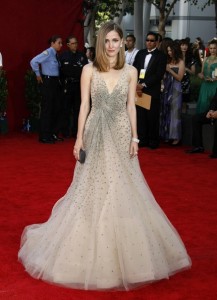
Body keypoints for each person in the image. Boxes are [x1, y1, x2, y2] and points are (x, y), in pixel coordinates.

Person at [18, 21, 191, 291]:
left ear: (122, 42)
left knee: (123, 185)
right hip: (95, 130)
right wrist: (78, 138)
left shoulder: (132, 72)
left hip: (122, 131)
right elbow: (84, 105)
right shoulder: (89, 70)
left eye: (115, 40)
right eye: (106, 41)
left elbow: (132, 108)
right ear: (101, 43)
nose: (111, 45)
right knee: (92, 184)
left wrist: (135, 137)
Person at [133, 31, 167, 149]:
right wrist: (136, 83)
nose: (149, 42)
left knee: (152, 116)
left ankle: (153, 141)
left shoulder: (161, 56)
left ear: (157, 42)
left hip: (152, 90)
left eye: (152, 40)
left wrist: (144, 84)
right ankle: (142, 139)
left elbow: (159, 74)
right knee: (140, 116)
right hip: (138, 89)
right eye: (147, 40)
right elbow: (135, 68)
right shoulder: (141, 53)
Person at [30, 35, 63, 144]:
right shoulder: (48, 52)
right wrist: (37, 74)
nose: (61, 45)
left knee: (55, 108)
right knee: (47, 109)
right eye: (59, 43)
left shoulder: (55, 55)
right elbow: (33, 61)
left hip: (54, 82)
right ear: (52, 43)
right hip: (48, 82)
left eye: (61, 43)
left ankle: (52, 134)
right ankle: (44, 136)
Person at [59, 35, 88, 138]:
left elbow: (86, 71)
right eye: (72, 43)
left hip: (79, 86)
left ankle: (77, 132)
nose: (75, 45)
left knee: (78, 109)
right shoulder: (63, 56)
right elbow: (60, 72)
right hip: (67, 85)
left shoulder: (82, 55)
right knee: (65, 109)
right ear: (68, 45)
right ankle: (65, 131)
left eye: (76, 43)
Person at [160, 41, 185, 145]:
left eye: (171, 50)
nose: (169, 52)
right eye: (168, 50)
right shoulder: (167, 60)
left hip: (175, 89)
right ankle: (166, 135)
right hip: (166, 87)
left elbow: (180, 78)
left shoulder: (181, 62)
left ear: (176, 51)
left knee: (175, 112)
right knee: (166, 110)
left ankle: (176, 136)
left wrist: (169, 70)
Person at [187, 91, 217, 158]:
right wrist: (211, 111)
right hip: (215, 112)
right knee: (196, 119)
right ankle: (198, 146)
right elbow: (215, 100)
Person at [196, 39, 217, 114]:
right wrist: (200, 75)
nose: (212, 50)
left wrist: (213, 79)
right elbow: (201, 72)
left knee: (213, 104)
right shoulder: (205, 59)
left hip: (215, 85)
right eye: (211, 48)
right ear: (209, 48)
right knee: (204, 103)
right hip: (205, 85)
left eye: (214, 48)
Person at [180, 38, 196, 112]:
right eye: (182, 45)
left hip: (186, 83)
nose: (184, 47)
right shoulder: (176, 57)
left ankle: (183, 120)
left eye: (186, 45)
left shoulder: (191, 58)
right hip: (177, 81)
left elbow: (193, 72)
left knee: (184, 102)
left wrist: (186, 69)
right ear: (179, 46)